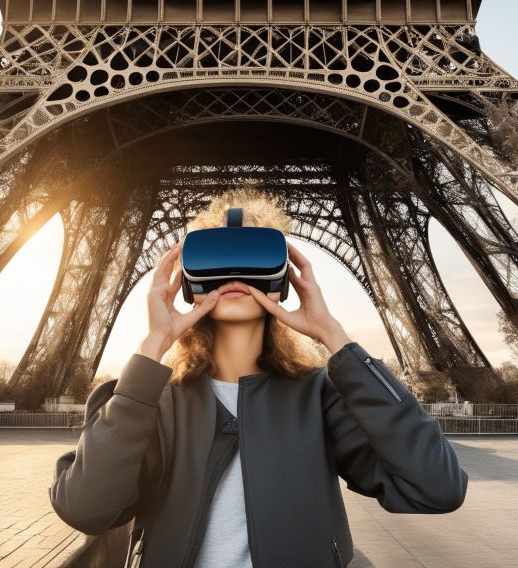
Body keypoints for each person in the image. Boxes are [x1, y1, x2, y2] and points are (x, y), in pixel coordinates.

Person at [49, 187, 468, 568]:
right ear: (186, 280)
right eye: (214, 256)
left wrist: (335, 338)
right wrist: (153, 346)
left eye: (253, 255)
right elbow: (84, 508)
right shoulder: (147, 400)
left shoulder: (321, 396)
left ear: (284, 278)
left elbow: (438, 488)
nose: (234, 273)